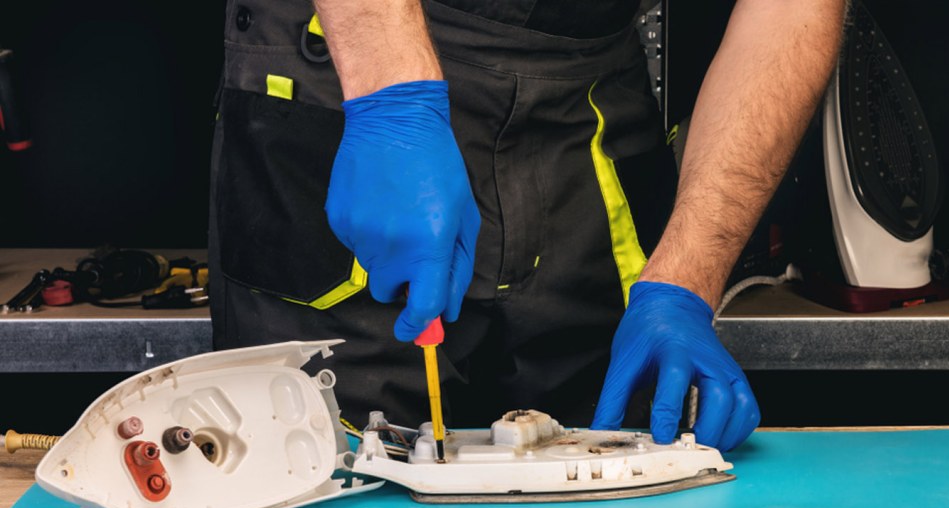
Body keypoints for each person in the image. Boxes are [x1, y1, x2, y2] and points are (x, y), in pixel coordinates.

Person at [208, 0, 847, 451]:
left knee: (606, 483)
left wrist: (687, 280)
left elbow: (790, 8)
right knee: (333, 491)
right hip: (354, 67)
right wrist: (389, 99)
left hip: (588, 103)